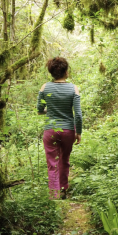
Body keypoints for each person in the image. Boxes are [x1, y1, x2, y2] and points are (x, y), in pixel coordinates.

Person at [37, 57, 82, 199]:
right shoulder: (74, 88)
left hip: (50, 130)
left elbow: (39, 110)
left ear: (51, 72)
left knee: (52, 162)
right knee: (64, 160)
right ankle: (63, 189)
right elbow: (78, 114)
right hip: (68, 130)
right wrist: (78, 132)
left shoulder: (44, 87)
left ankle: (53, 194)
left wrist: (50, 111)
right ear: (66, 71)